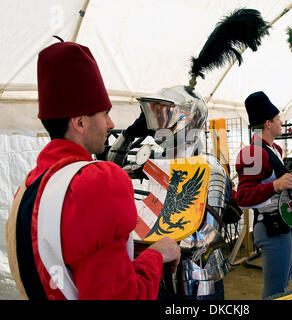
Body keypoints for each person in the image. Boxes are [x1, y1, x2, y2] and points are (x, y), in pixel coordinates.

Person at [5, 40, 180, 300]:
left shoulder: (29, 186)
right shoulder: (100, 182)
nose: (110, 123)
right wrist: (158, 254)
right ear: (79, 122)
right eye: (104, 113)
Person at [235, 91, 292, 299]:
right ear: (268, 123)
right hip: (271, 227)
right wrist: (276, 186)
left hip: (281, 225)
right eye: (278, 119)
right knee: (275, 293)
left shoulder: (273, 149)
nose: (281, 122)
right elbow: (243, 197)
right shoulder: (254, 153)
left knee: (285, 281)